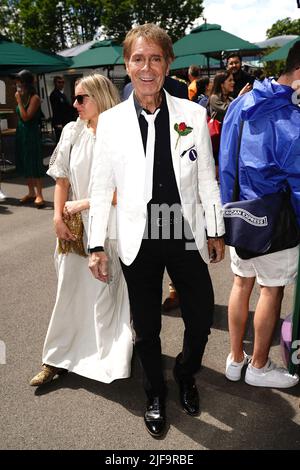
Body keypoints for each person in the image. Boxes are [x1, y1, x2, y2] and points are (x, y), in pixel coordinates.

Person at [88, 23, 225, 438]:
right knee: (146, 327)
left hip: (182, 229)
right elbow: (100, 188)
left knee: (200, 315)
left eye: (155, 58)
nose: (146, 67)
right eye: (138, 58)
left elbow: (206, 180)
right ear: (127, 65)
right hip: (138, 235)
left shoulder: (193, 114)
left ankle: (185, 372)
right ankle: (154, 393)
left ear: (168, 64)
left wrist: (215, 230)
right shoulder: (110, 124)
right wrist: (96, 244)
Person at [30, 74, 132, 387]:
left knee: (105, 295)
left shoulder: (123, 135)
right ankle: (56, 359)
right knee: (68, 291)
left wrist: (86, 203)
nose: (74, 104)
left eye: (81, 98)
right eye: (75, 97)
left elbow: (129, 190)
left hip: (110, 226)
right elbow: (61, 179)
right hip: (75, 228)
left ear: (101, 97)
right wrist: (57, 218)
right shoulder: (72, 131)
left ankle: (108, 357)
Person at [219, 41, 300, 389]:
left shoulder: (243, 100)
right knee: (271, 291)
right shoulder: (292, 118)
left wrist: (226, 208)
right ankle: (259, 365)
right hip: (277, 222)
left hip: (240, 215)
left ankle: (235, 359)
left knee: (241, 284)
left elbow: (225, 159)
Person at [15, 70, 45, 208]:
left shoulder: (35, 98)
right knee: (26, 163)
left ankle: (39, 194)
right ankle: (31, 192)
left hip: (31, 134)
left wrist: (19, 102)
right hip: (21, 133)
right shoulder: (22, 96)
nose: (18, 85)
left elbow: (26, 117)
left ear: (26, 83)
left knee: (34, 162)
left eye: (20, 83)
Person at [50, 75, 76, 143]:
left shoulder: (62, 94)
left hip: (65, 120)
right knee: (60, 140)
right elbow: (56, 110)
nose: (61, 84)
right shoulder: (54, 94)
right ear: (55, 83)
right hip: (59, 122)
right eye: (59, 82)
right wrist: (58, 123)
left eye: (62, 82)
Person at [122, 75, 188, 101]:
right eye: (138, 59)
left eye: (155, 60)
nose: (146, 67)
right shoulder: (128, 89)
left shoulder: (178, 87)